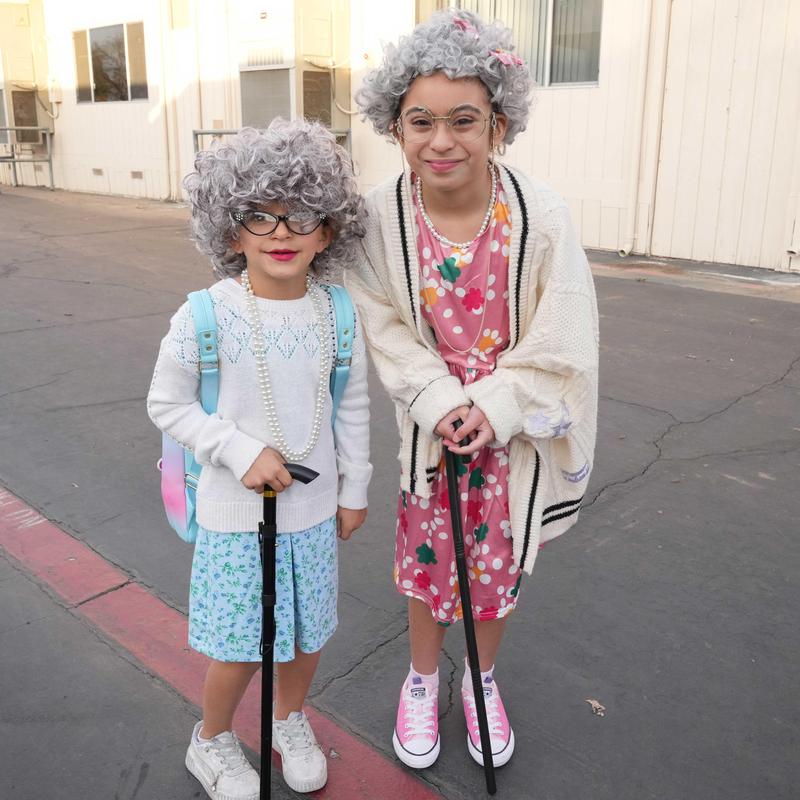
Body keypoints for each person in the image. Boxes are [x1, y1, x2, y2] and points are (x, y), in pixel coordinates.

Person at [350, 9, 598, 771]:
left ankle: (481, 680)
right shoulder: (378, 222)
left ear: (499, 123)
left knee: (497, 571)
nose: (442, 140)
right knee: (429, 569)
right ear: (395, 127)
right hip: (433, 437)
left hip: (510, 439)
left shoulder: (542, 216)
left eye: (465, 119)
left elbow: (565, 339)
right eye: (420, 120)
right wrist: (436, 400)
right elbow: (382, 321)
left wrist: (491, 408)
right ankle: (423, 679)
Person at [147, 119, 372, 799]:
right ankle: (211, 739)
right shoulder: (203, 315)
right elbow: (168, 404)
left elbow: (352, 406)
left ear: (328, 230)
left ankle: (288, 719)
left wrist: (355, 487)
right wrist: (239, 450)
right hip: (232, 515)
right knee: (240, 644)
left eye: (302, 214)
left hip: (310, 510)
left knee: (306, 635)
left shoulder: (337, 312)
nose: (281, 231)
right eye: (259, 216)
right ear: (230, 230)